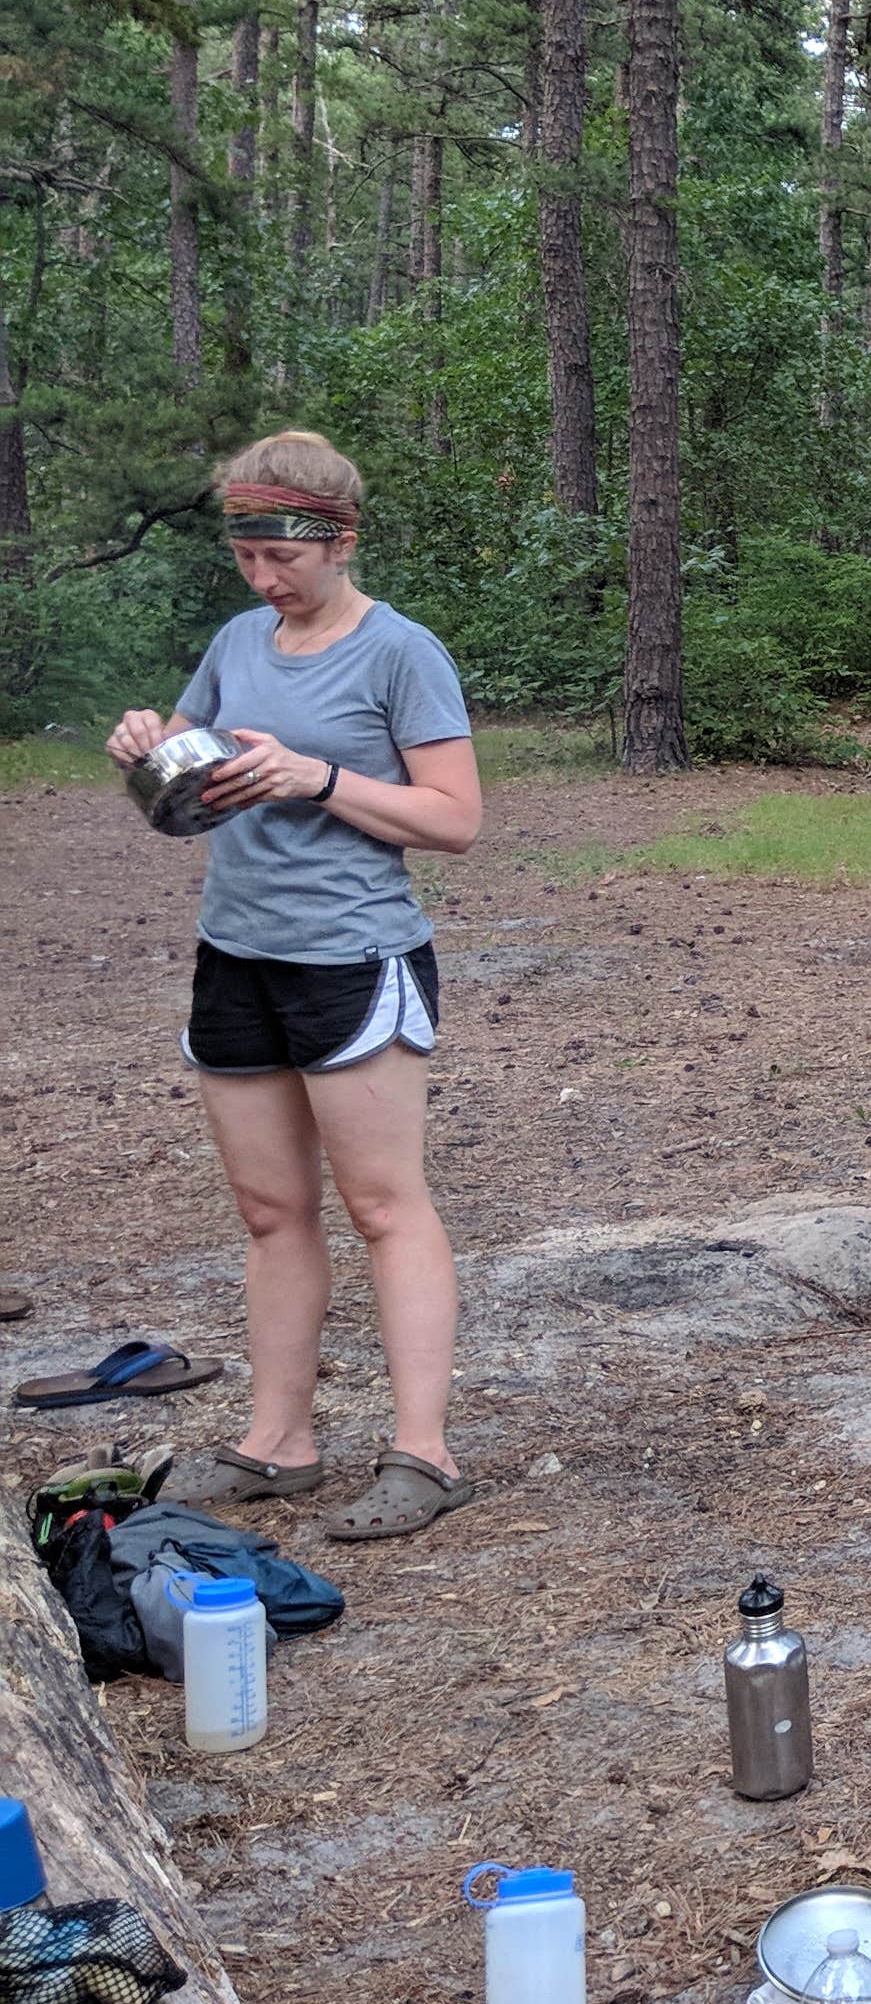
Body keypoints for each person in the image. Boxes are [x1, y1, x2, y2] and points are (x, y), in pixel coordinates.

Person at [105, 431, 487, 1539]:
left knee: (382, 1205)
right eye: (249, 558)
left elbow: (457, 821)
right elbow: (180, 779)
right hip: (237, 953)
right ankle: (279, 1446)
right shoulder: (237, 640)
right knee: (273, 1213)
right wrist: (144, 744)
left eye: (285, 558)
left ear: (341, 540)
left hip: (354, 957)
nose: (267, 580)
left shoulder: (401, 653)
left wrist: (319, 777)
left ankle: (424, 1453)